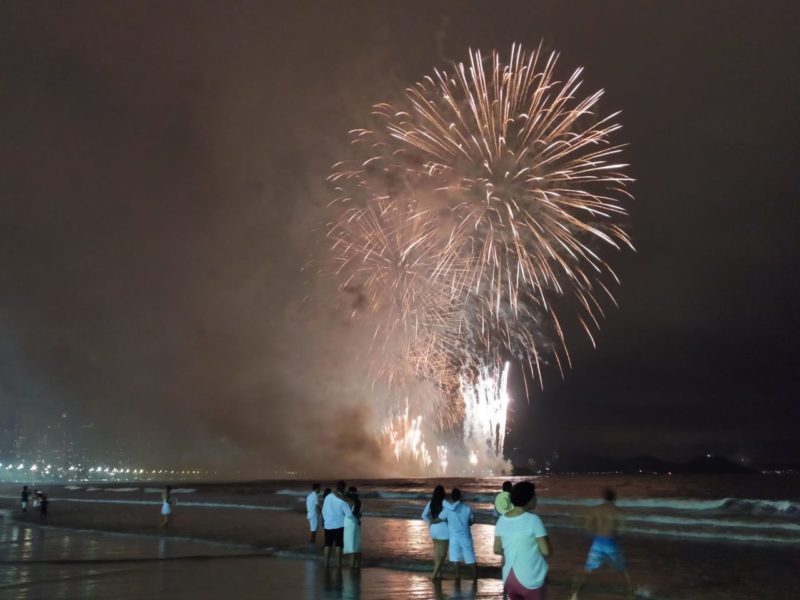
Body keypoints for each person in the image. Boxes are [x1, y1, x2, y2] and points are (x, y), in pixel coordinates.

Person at [571, 488, 632, 600]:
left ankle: (575, 594)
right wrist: (618, 536)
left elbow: (588, 526)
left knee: (588, 570)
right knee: (623, 570)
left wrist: (593, 534)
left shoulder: (595, 509)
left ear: (603, 497)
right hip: (610, 543)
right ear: (615, 498)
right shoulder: (618, 511)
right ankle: (630, 595)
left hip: (598, 542)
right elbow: (622, 530)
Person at [494, 481, 550, 600]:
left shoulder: (502, 521)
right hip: (530, 578)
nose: (536, 499)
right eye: (534, 496)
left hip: (509, 579)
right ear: (528, 499)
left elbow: (497, 549)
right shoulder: (533, 520)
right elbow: (546, 551)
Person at [443, 488, 477, 581]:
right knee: (471, 559)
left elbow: (443, 519)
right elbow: (472, 521)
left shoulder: (448, 509)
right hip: (465, 535)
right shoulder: (467, 508)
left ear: (451, 497)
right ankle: (475, 579)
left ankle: (458, 578)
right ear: (460, 496)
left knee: (455, 560)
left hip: (453, 537)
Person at [321, 481, 354, 569]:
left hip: (328, 524)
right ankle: (338, 564)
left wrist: (326, 520)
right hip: (339, 525)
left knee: (327, 545)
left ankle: (326, 564)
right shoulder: (342, 500)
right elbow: (349, 514)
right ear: (343, 488)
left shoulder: (328, 497)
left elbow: (323, 510)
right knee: (338, 545)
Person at [421, 484, 449, 580]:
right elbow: (452, 509)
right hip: (443, 529)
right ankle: (434, 575)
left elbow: (423, 515)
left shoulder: (431, 502)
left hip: (433, 530)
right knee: (442, 555)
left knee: (437, 554)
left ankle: (438, 575)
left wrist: (430, 522)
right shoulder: (444, 502)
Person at [343, 486, 362, 568]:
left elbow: (347, 514)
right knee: (356, 545)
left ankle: (352, 565)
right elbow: (360, 514)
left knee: (351, 546)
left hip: (348, 524)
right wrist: (357, 520)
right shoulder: (358, 501)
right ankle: (356, 565)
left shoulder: (347, 501)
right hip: (356, 523)